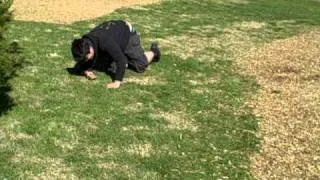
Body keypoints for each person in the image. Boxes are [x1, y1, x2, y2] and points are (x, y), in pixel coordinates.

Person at [70, 20, 161, 89]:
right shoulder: (84, 42)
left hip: (127, 34)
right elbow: (86, 58)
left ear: (90, 49)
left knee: (140, 65)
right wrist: (86, 69)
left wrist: (117, 82)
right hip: (114, 38)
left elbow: (120, 60)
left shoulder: (104, 42)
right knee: (113, 67)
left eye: (86, 58)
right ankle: (121, 54)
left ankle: (154, 51)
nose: (85, 60)